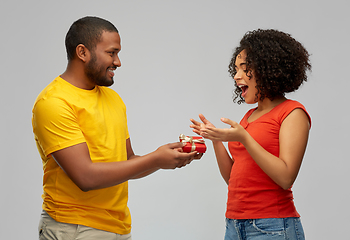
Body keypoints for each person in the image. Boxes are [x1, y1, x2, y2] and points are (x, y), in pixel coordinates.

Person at [32, 16, 201, 240]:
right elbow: (85, 177)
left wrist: (166, 159)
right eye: (111, 53)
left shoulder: (113, 99)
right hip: (74, 228)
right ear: (82, 52)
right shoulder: (54, 103)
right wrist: (155, 159)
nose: (118, 62)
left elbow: (128, 161)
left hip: (117, 229)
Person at [190, 29, 311, 240]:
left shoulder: (292, 112)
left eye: (244, 69)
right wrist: (216, 140)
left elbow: (285, 177)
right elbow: (232, 178)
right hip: (235, 225)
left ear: (268, 69)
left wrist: (244, 138)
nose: (236, 76)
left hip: (273, 226)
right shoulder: (249, 116)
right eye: (235, 69)